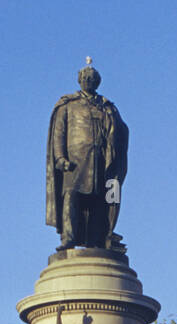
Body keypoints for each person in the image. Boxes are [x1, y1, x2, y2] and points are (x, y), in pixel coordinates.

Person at [46, 62, 128, 251]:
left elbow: (122, 131)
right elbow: (59, 133)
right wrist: (60, 158)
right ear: (80, 80)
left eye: (92, 79)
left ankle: (96, 240)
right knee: (71, 198)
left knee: (100, 200)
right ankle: (69, 238)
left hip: (101, 161)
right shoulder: (68, 105)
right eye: (85, 78)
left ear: (98, 82)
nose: (88, 81)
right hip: (75, 161)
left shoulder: (107, 107)